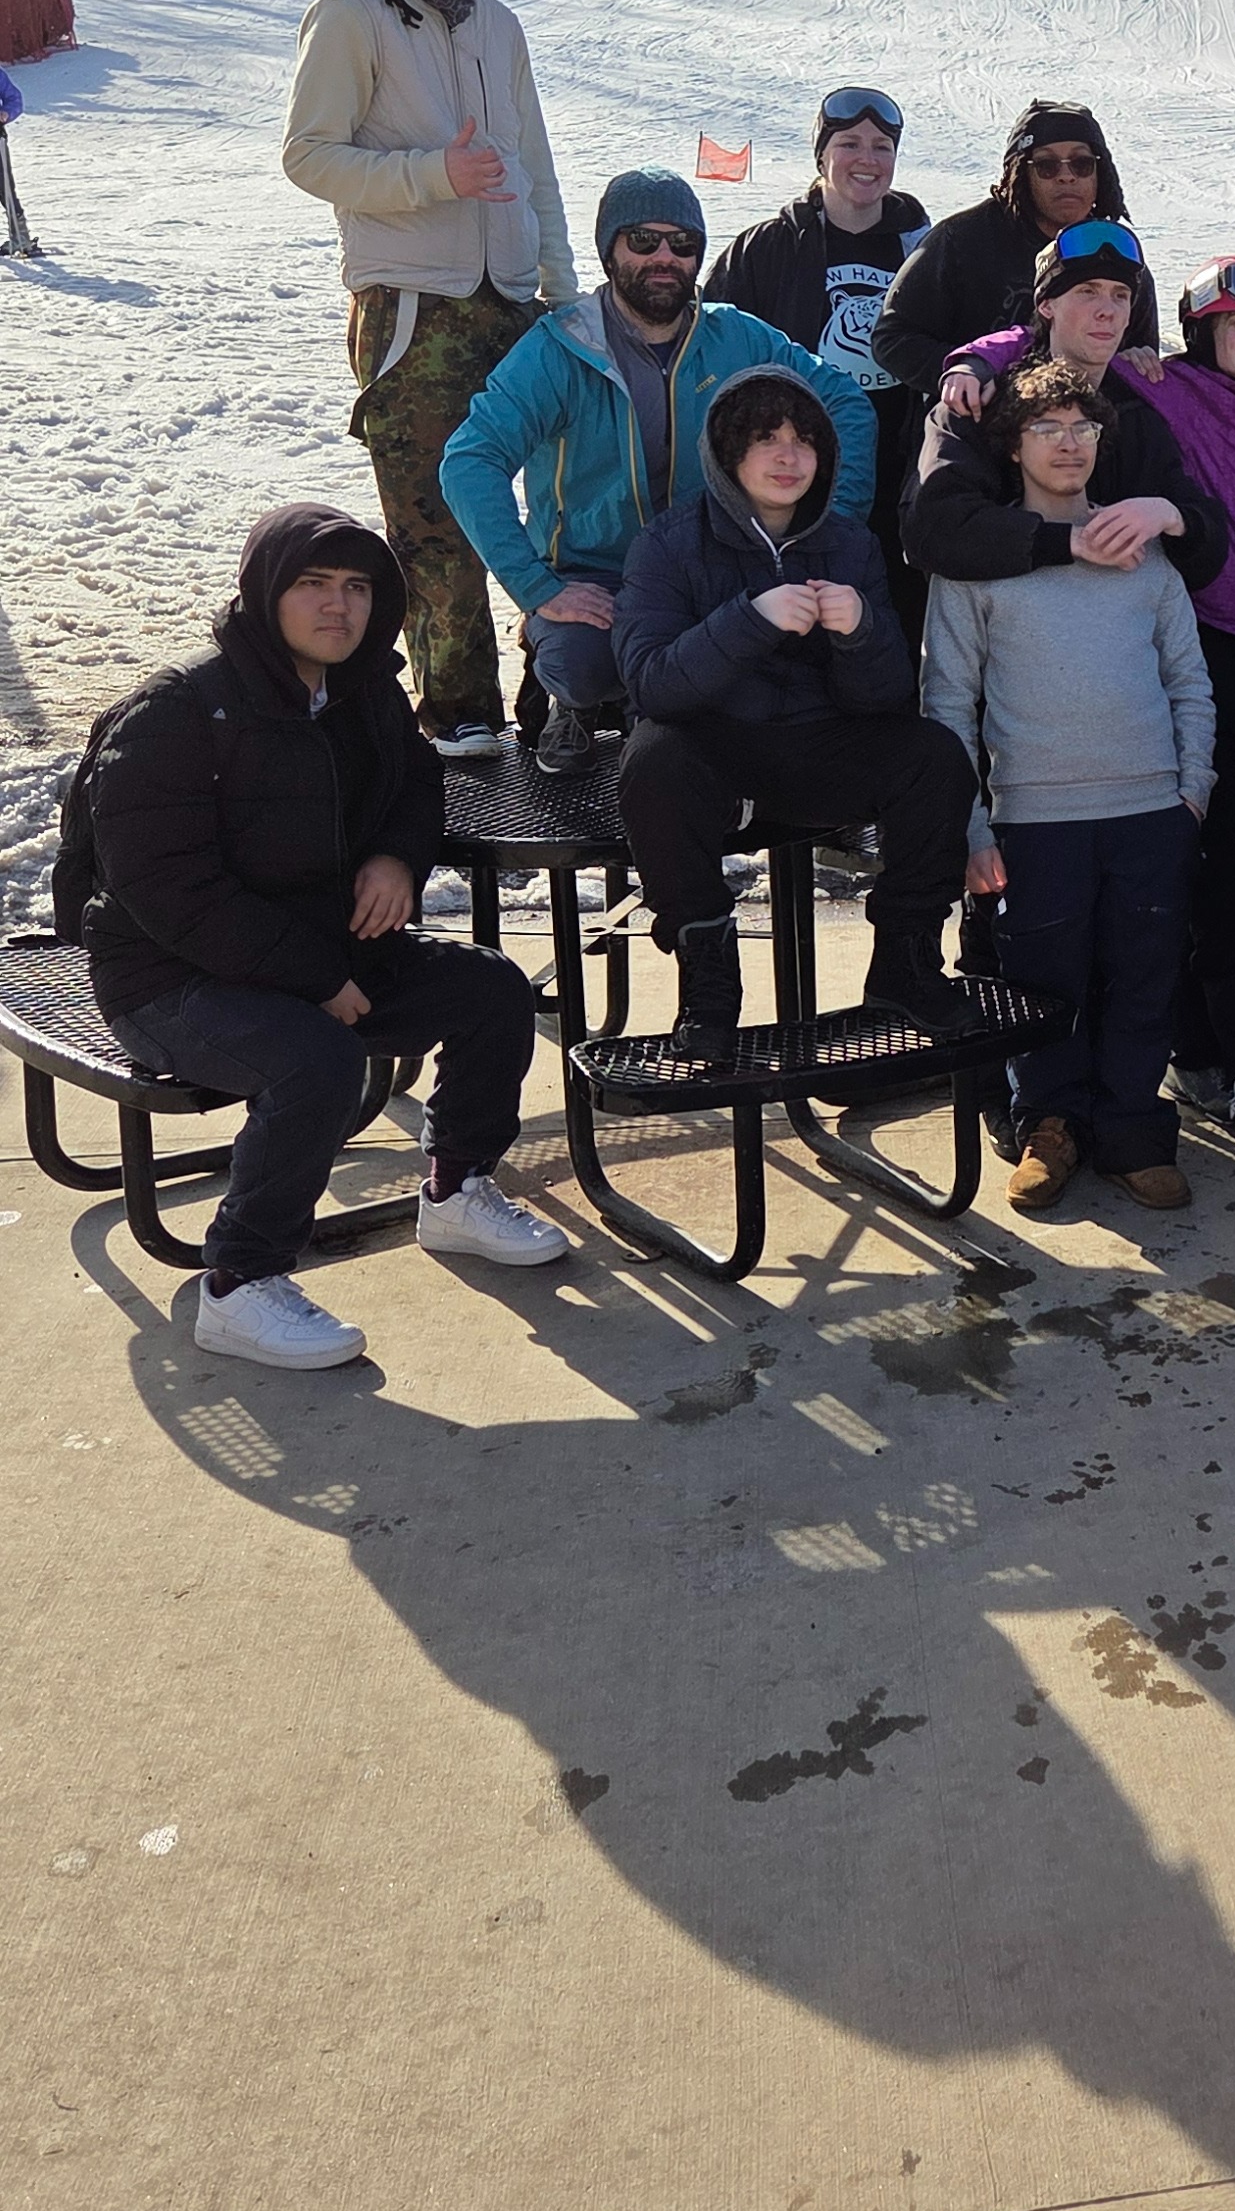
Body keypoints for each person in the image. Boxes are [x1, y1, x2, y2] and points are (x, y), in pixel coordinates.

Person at [64, 502, 571, 1370]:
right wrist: (314, 980)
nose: (339, 606)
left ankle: (456, 1188)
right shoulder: (177, 710)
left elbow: (417, 785)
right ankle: (239, 1283)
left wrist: (397, 858)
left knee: (490, 989)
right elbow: (168, 890)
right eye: (312, 584)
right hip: (167, 978)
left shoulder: (365, 691)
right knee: (317, 1061)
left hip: (325, 953)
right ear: (265, 592)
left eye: (357, 588)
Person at [282, 0, 577, 758]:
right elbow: (308, 156)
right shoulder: (351, 16)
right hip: (415, 303)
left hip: (514, 300)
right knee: (435, 516)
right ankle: (460, 709)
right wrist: (432, 176)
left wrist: (563, 290)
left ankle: (567, 689)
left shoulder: (498, 23)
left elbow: (533, 164)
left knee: (562, 502)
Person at [440, 168, 874, 775]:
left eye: (682, 242)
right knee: (584, 664)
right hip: (598, 575)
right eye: (643, 240)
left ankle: (663, 717)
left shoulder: (736, 337)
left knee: (760, 661)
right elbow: (470, 460)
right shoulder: (560, 349)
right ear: (610, 251)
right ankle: (572, 698)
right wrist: (538, 587)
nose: (664, 257)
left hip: (709, 566)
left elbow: (845, 404)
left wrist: (830, 525)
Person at [919, 355, 1214, 1214]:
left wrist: (1192, 789)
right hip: (1035, 820)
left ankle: (1131, 1132)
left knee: (1143, 979)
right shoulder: (978, 563)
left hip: (1151, 811)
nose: (1069, 443)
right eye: (1046, 428)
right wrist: (971, 827)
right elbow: (946, 704)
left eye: (1084, 427)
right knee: (1041, 986)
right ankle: (1048, 1129)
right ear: (1013, 446)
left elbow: (1189, 682)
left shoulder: (1146, 558)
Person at [609, 371, 975, 1062]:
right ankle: (708, 987)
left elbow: (883, 700)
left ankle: (906, 965)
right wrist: (749, 620)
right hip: (714, 753)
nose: (788, 456)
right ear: (727, 453)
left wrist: (861, 631)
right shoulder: (668, 542)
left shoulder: (850, 544)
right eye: (765, 439)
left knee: (933, 755)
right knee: (653, 759)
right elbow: (652, 685)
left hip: (817, 749)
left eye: (805, 440)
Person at [1114, 258, 1235, 1144]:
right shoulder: (1165, 388)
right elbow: (1049, 352)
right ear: (1202, 334)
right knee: (1214, 853)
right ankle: (1217, 1049)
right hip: (1199, 641)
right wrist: (973, 365)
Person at [704, 84, 934, 641]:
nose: (866, 159)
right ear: (822, 155)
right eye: (849, 144)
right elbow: (713, 351)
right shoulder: (766, 249)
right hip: (791, 477)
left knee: (888, 627)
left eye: (881, 147)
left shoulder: (927, 251)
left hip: (901, 476)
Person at [908, 222, 1230, 601]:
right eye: (1086, 291)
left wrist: (1173, 517)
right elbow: (931, 531)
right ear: (1047, 306)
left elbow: (1207, 557)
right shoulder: (978, 405)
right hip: (997, 630)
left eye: (1120, 295)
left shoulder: (1136, 415)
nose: (1106, 311)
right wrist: (1070, 542)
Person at [869, 98, 1158, 392]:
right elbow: (893, 338)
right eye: (1046, 165)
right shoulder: (960, 241)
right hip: (975, 416)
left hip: (1084, 420)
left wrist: (1133, 365)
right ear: (1019, 173)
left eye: (1082, 164)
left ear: (1101, 172)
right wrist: (974, 376)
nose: (1066, 175)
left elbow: (1138, 352)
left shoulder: (1118, 254)